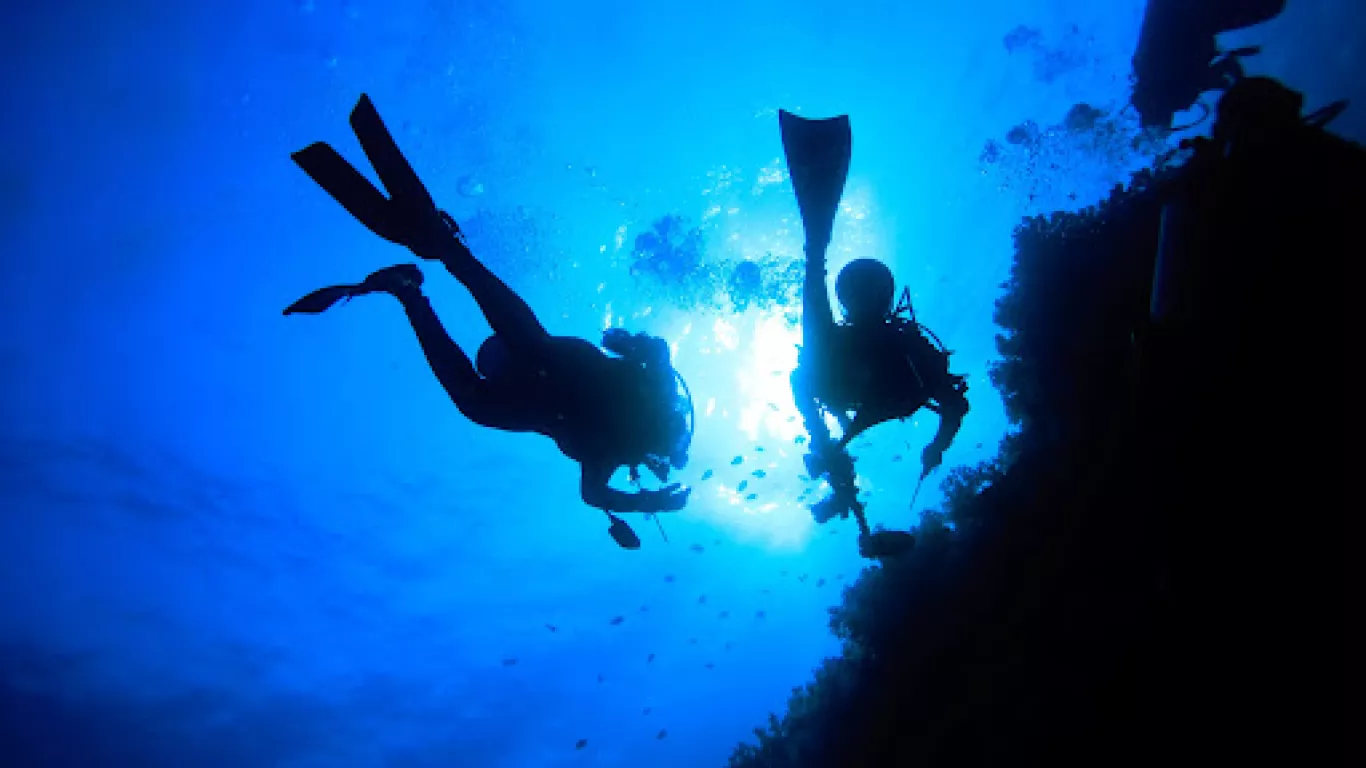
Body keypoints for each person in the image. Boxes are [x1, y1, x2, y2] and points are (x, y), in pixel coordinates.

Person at [282, 95, 693, 549]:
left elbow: (591, 493)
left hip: (528, 388)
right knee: (526, 351)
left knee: (481, 399)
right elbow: (659, 353)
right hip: (553, 364)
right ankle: (443, 257)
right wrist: (629, 342)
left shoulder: (616, 450)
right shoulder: (655, 395)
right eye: (666, 449)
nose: (658, 451)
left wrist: (645, 504)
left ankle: (414, 288)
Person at [779, 110, 970, 558]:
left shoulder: (894, 345)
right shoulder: (904, 344)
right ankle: (835, 469)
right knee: (813, 369)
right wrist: (936, 446)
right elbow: (955, 405)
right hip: (859, 397)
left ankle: (835, 469)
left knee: (812, 362)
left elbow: (804, 379)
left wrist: (824, 441)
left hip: (852, 397)